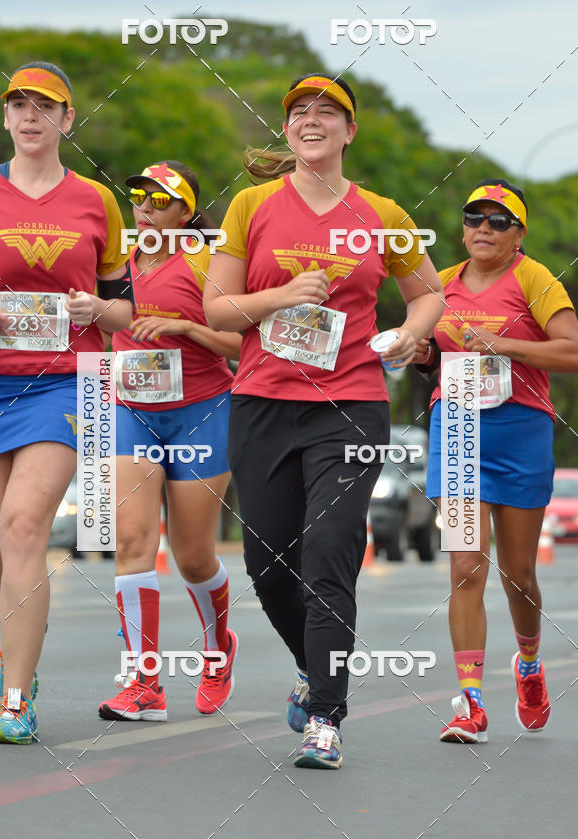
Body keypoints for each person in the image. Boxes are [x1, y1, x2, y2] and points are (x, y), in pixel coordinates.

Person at [203, 73, 444, 768]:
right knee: (267, 564)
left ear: (349, 131)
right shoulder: (253, 206)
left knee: (329, 552)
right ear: (288, 130)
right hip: (262, 404)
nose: (312, 121)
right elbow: (218, 310)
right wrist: (279, 295)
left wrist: (406, 333)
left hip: (351, 407)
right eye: (300, 112)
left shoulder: (384, 214)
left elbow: (429, 297)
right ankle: (312, 670)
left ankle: (327, 717)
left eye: (327, 113)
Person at [0, 62, 133, 743]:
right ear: (6, 118)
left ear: (68, 120)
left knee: (21, 527)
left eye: (46, 105)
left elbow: (126, 306)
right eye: (19, 104)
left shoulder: (97, 202)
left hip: (64, 382)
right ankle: (25, 652)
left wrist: (99, 306)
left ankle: (15, 700)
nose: (31, 115)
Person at [417, 178, 578, 743]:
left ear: (519, 234)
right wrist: (416, 351)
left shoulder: (532, 278)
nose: (484, 228)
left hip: (520, 430)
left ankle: (529, 664)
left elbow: (572, 350)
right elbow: (424, 348)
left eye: (499, 220)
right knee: (465, 568)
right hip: (457, 427)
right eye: (474, 218)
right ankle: (470, 703)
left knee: (520, 575)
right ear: (462, 228)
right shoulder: (438, 285)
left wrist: (506, 344)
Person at [98, 161, 241, 722]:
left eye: (160, 201)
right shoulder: (115, 263)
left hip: (202, 414)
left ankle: (218, 646)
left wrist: (188, 330)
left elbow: (240, 340)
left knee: (193, 556)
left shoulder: (208, 260)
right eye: (138, 197)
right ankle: (144, 683)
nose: (145, 208)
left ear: (185, 212)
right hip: (131, 411)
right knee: (133, 541)